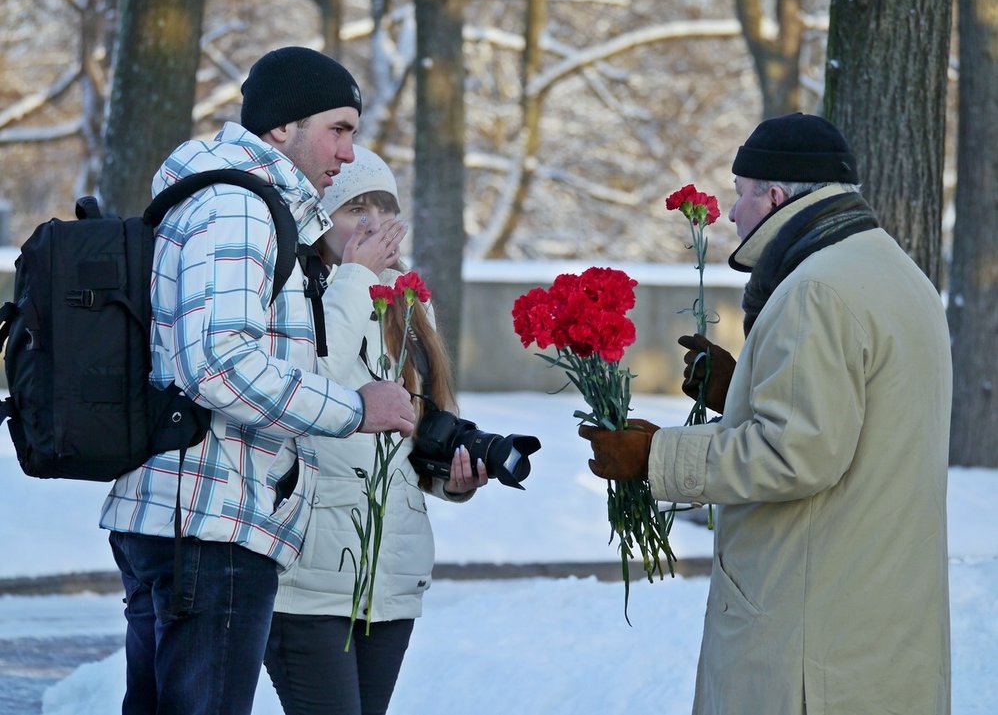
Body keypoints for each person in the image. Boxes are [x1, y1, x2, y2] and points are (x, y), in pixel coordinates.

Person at [579, 113, 952, 715]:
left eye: (741, 193)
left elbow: (796, 454)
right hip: (880, 631)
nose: (730, 214)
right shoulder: (897, 274)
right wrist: (743, 392)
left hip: (811, 644)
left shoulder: (815, 289)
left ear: (774, 196)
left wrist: (654, 456)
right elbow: (863, 422)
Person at [100, 46, 417, 715]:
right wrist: (354, 407)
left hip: (190, 517)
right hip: (209, 522)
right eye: (338, 128)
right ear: (281, 126)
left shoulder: (236, 201)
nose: (348, 150)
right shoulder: (239, 207)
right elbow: (217, 363)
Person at [264, 146, 488, 715]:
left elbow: (418, 428)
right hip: (310, 578)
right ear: (318, 223)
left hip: (390, 578)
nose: (370, 224)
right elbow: (308, 386)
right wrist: (356, 278)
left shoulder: (408, 304)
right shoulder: (291, 294)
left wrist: (449, 477)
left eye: (381, 208)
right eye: (352, 209)